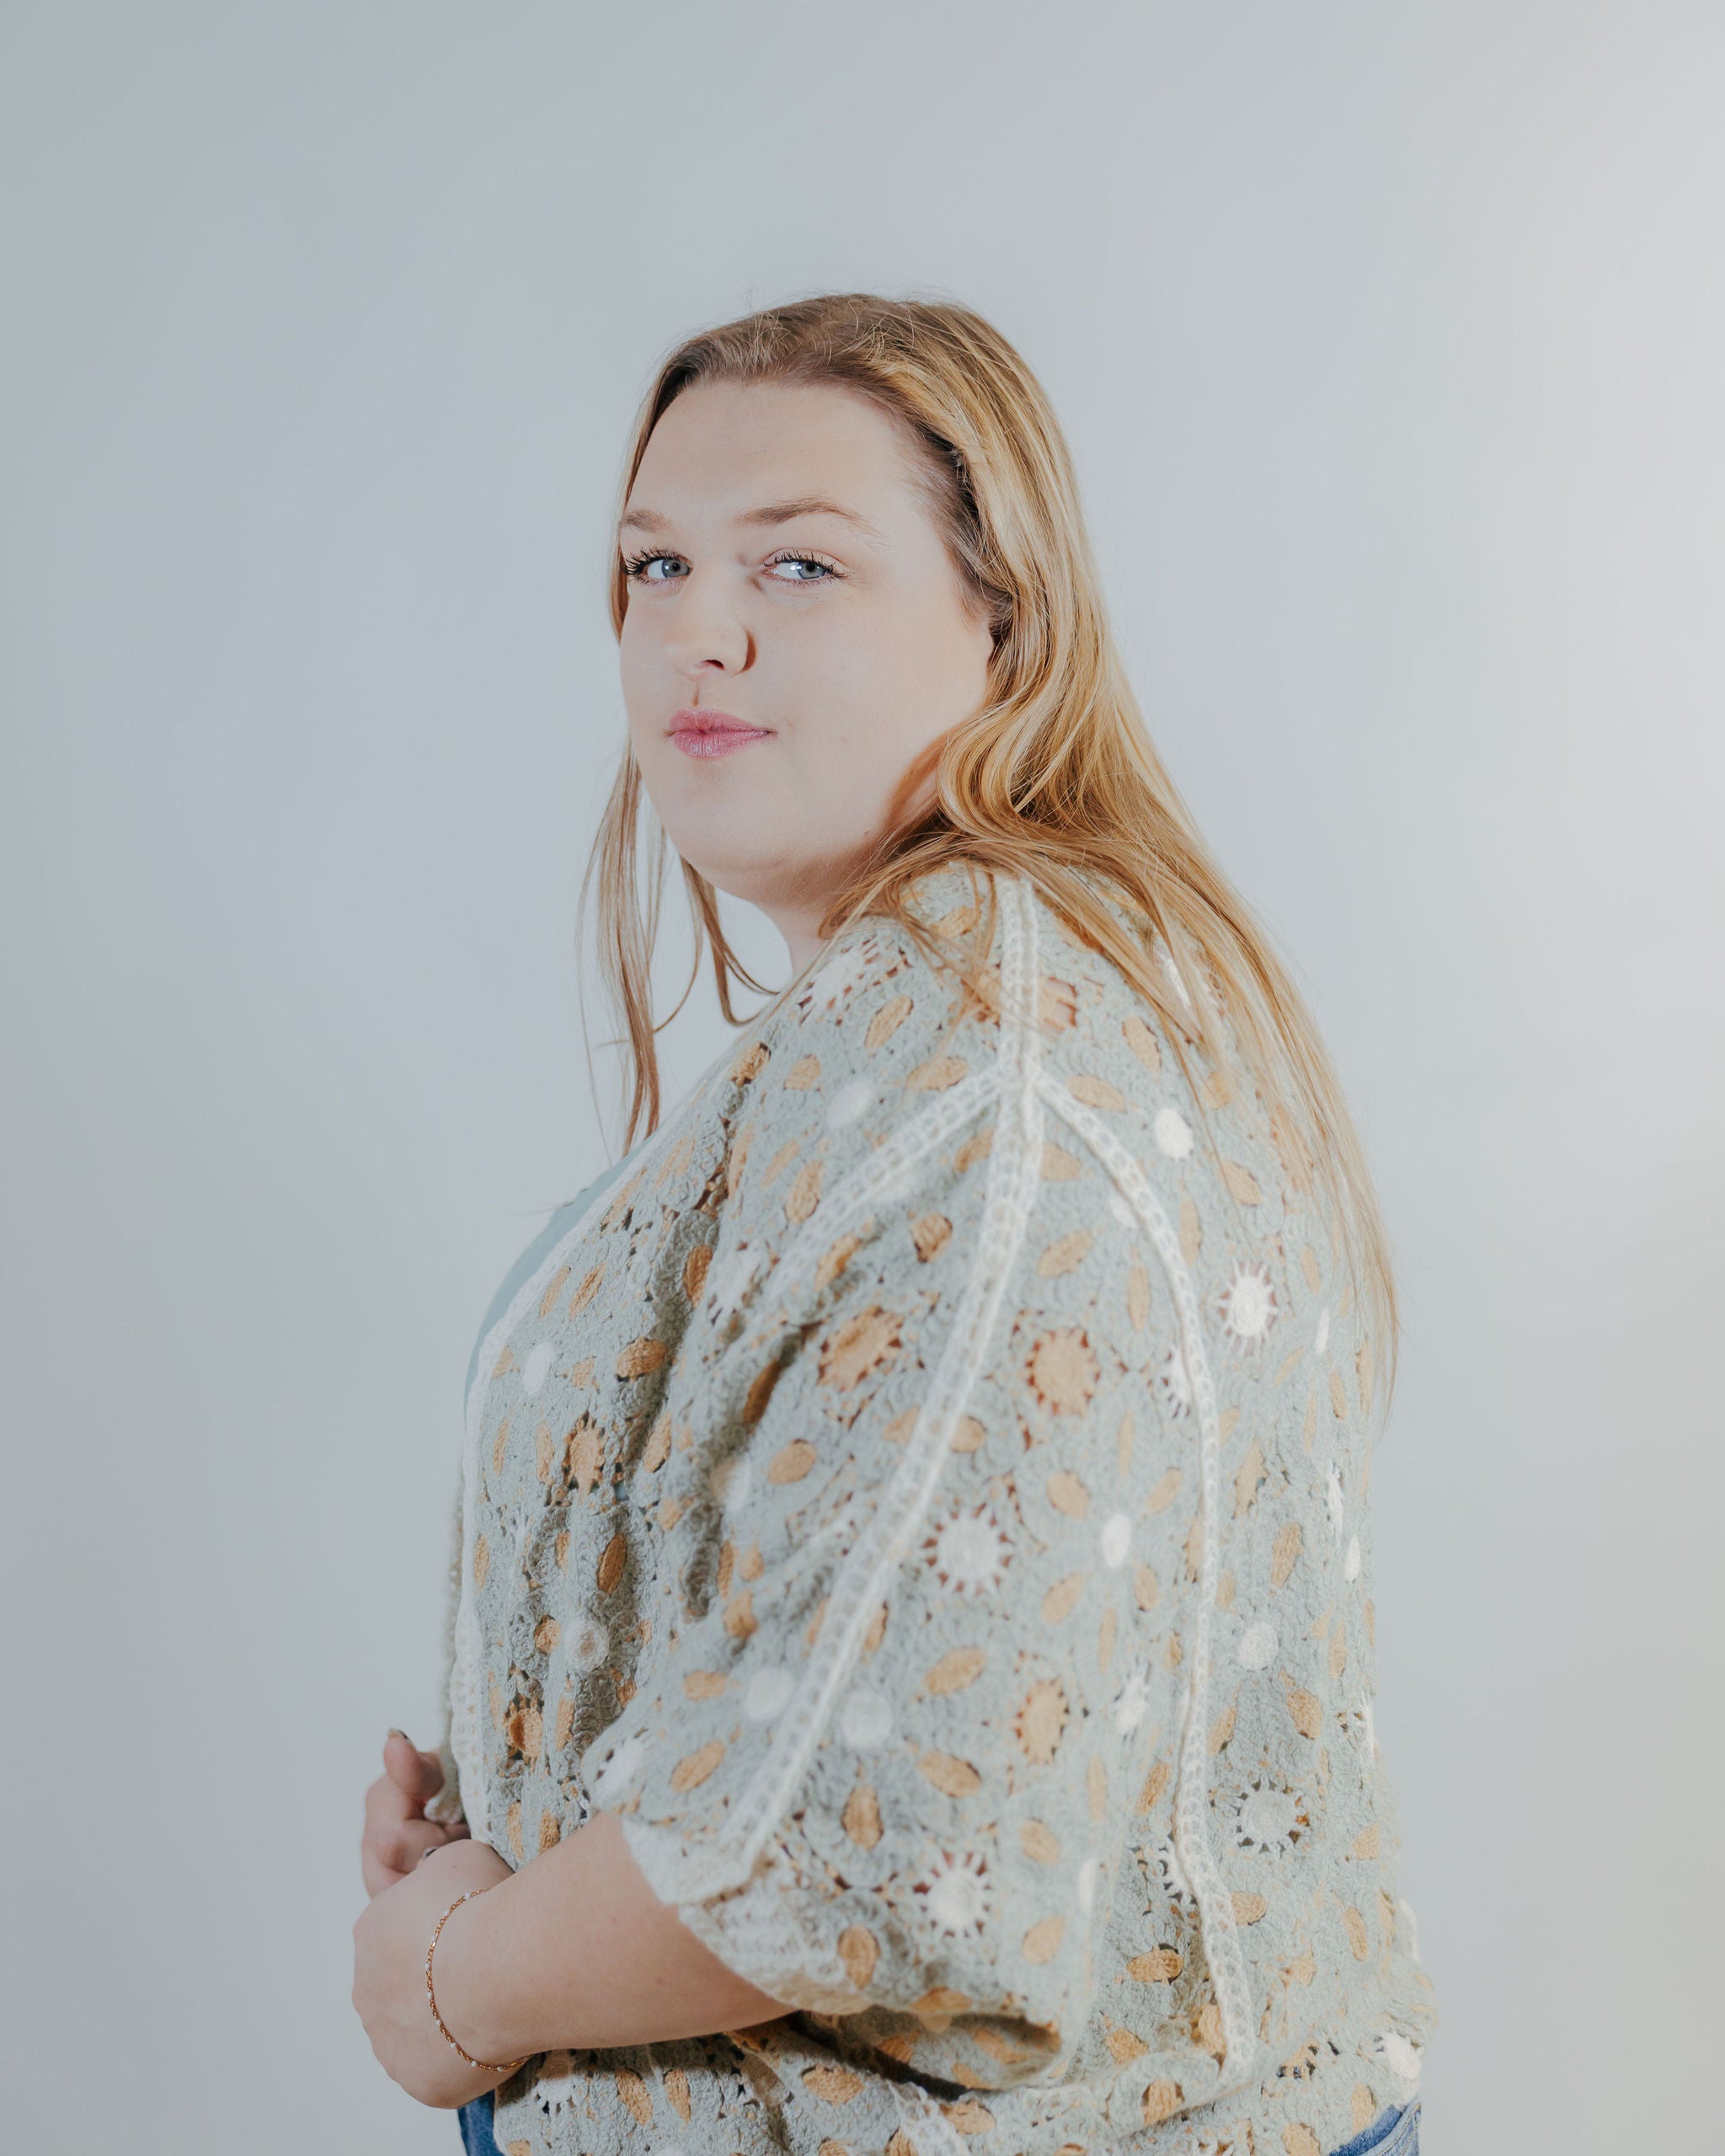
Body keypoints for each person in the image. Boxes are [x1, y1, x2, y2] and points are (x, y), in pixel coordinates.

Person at [351, 292, 1436, 2156]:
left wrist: (453, 1974)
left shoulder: (990, 1103)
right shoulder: (965, 1002)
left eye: (801, 562)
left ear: (1005, 620)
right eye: (657, 563)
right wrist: (519, 1813)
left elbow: (887, 1843)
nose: (699, 629)